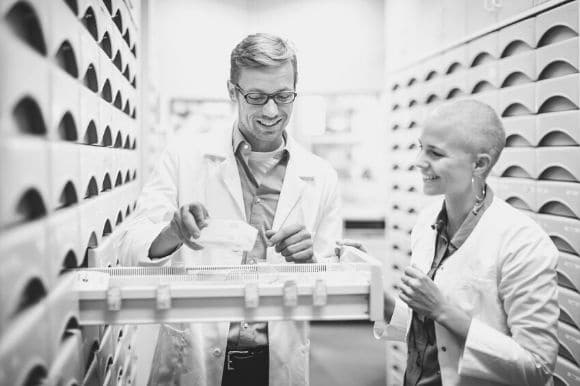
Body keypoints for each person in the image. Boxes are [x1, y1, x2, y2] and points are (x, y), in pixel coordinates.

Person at [119, 33, 342, 385]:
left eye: (284, 96)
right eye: (256, 97)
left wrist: (312, 261)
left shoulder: (321, 175)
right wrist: (173, 233)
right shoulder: (184, 157)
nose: (272, 111)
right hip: (195, 353)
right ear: (232, 90)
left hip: (276, 359)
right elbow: (132, 247)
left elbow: (333, 277)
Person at [375, 99, 559, 385]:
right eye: (420, 147)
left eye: (435, 153)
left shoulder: (524, 243)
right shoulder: (426, 222)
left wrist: (443, 310)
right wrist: (371, 289)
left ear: (480, 164)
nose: (419, 161)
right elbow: (424, 332)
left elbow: (537, 368)